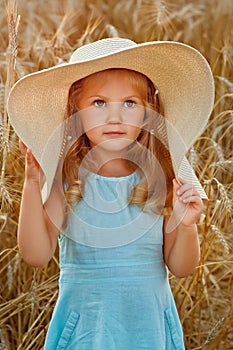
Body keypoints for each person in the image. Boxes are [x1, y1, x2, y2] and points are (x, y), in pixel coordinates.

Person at [7, 37, 214, 349]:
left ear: (147, 114)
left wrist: (186, 225)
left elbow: (182, 268)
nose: (114, 117)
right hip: (87, 331)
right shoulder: (68, 180)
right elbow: (35, 255)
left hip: (148, 331)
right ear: (75, 112)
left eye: (130, 103)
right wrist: (33, 182)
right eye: (99, 103)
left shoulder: (160, 180)